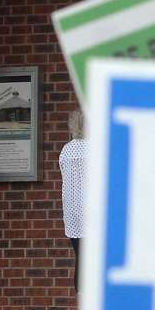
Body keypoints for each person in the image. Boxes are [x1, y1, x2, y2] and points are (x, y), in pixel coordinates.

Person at [59, 108, 86, 294]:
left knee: (81, 259)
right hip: (94, 212)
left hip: (72, 213)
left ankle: (81, 304)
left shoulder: (66, 150)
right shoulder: (99, 148)